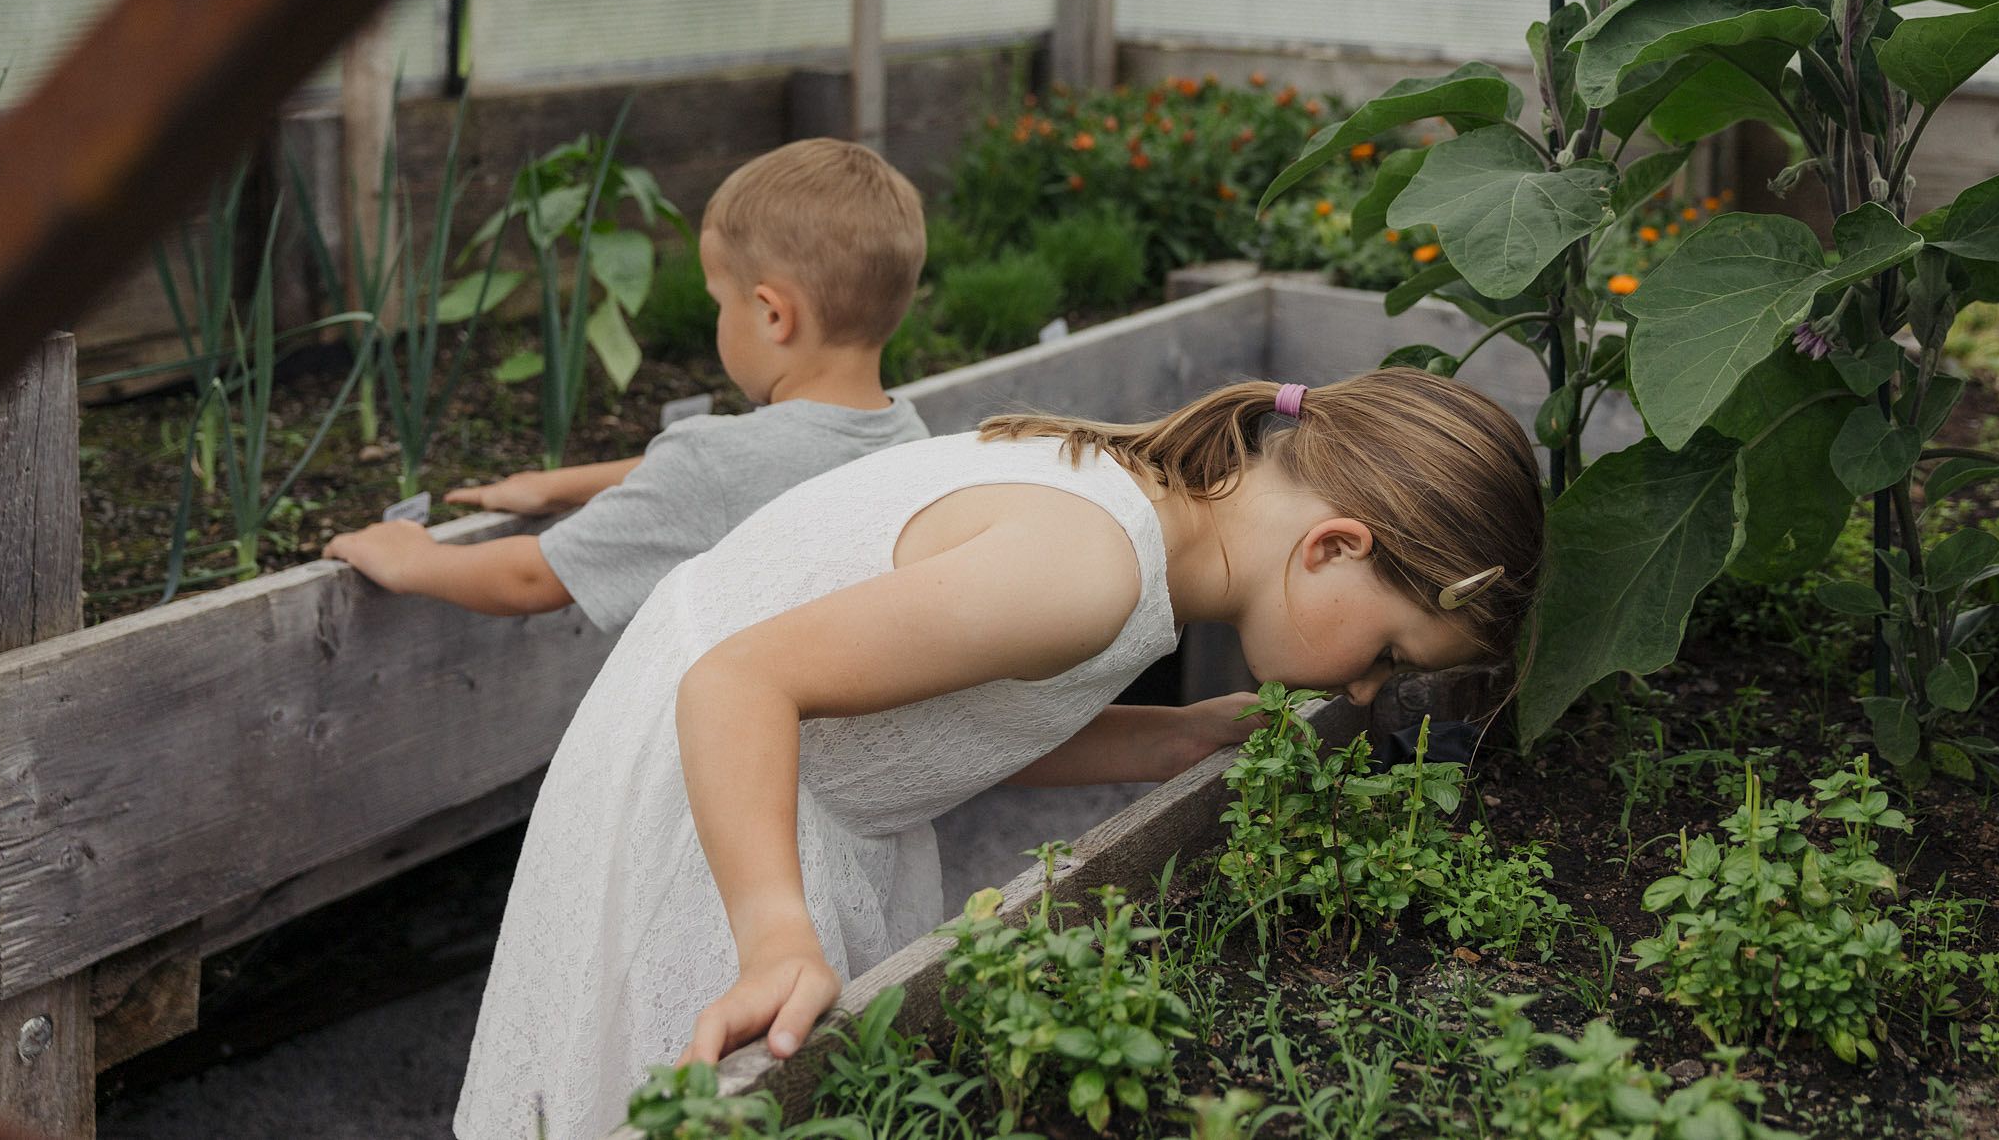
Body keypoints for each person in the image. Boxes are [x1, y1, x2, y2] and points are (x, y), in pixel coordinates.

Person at [454, 368, 1544, 1139]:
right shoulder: (1088, 572)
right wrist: (775, 932)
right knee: (686, 1089)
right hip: (720, 792)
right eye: (1389, 651)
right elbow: (736, 680)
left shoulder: (1148, 518)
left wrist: (1176, 734)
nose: (1359, 690)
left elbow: (954, 716)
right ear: (1333, 545)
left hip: (785, 768)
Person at [324, 138, 930, 632]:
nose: (717, 317)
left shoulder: (714, 460)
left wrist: (415, 560)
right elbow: (740, 476)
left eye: (719, 300)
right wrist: (556, 486)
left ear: (773, 315)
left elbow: (532, 578)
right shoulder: (908, 434)